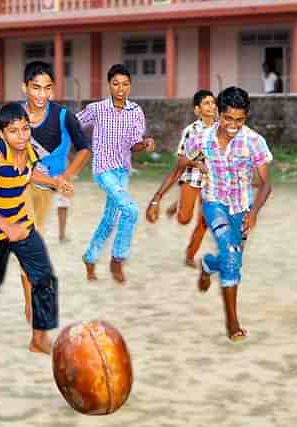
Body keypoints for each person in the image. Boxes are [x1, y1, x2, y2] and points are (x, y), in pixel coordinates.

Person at [146, 86, 272, 342]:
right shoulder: (201, 139)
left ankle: (207, 265)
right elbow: (178, 168)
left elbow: (265, 183)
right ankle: (232, 323)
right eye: (228, 119)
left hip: (242, 208)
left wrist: (255, 211)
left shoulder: (254, 141)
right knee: (230, 252)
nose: (233, 125)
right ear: (219, 114)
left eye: (240, 120)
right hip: (214, 203)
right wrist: (157, 198)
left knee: (230, 259)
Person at [0, 61, 89, 322]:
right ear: (24, 88)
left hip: (43, 190)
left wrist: (64, 176)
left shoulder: (63, 116)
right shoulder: (12, 116)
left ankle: (30, 300)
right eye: (35, 88)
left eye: (47, 88)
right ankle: (32, 305)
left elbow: (83, 148)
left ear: (53, 90)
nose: (41, 95)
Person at [0, 102, 72, 354]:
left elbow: (29, 174)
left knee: (44, 275)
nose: (22, 135)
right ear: (2, 134)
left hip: (21, 224)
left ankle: (39, 338)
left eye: (25, 129)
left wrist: (54, 182)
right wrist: (5, 227)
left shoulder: (29, 152)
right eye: (14, 131)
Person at [77, 64, 155, 283]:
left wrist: (145, 144)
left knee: (110, 219)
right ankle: (117, 260)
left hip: (122, 171)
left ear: (130, 86)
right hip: (103, 170)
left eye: (125, 84)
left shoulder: (136, 111)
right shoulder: (97, 109)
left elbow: (134, 145)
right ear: (109, 85)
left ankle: (90, 258)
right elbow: (73, 124)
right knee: (130, 210)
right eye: (115, 84)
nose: (120, 89)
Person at [163, 90, 217, 267]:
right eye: (206, 103)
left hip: (213, 181)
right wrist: (196, 164)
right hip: (192, 177)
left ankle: (189, 255)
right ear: (197, 109)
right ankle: (179, 205)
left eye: (213, 102)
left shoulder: (223, 129)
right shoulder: (191, 131)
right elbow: (180, 159)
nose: (212, 106)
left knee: (205, 221)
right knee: (184, 219)